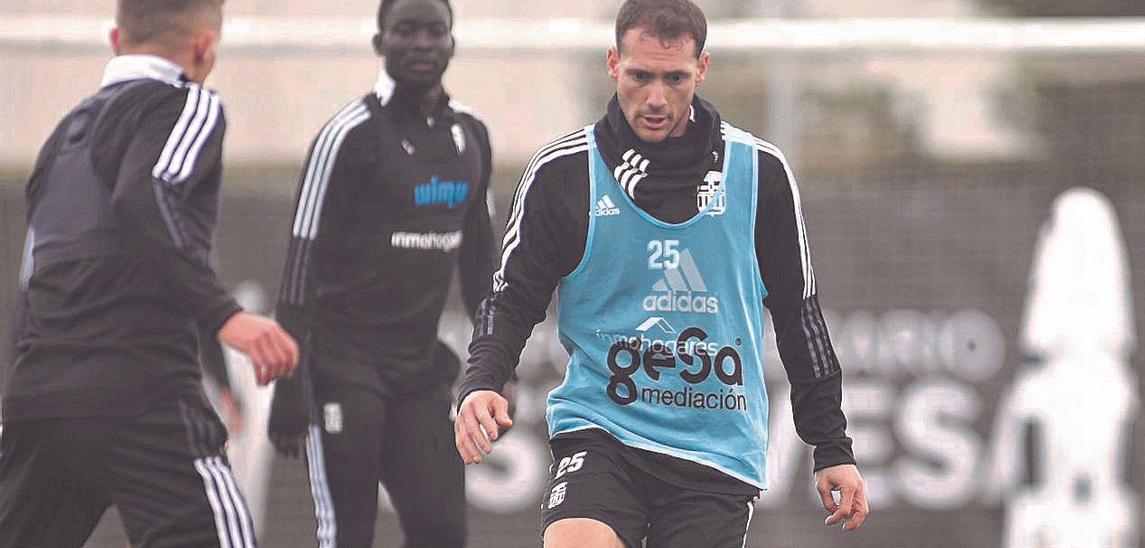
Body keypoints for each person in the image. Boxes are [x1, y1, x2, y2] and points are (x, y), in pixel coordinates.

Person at [455, 0, 869, 546]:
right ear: (612, 64)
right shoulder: (563, 173)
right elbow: (509, 300)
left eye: (674, 78)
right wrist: (483, 380)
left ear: (701, 69)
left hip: (715, 445)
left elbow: (799, 316)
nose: (655, 98)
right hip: (602, 430)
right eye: (640, 76)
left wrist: (831, 445)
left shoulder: (759, 173)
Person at [0, 0, 299, 546]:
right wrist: (227, 318)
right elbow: (145, 197)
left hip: (40, 395)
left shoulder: (63, 136)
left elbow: (34, 278)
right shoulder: (185, 105)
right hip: (140, 393)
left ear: (115, 39)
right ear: (204, 46)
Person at [265, 0, 496, 546]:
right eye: (406, 31)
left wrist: (491, 363)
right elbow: (301, 261)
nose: (422, 44)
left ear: (452, 43)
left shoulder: (472, 135)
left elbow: (483, 264)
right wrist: (289, 382)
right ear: (380, 42)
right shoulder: (349, 134)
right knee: (348, 533)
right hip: (342, 368)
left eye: (435, 32)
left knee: (442, 531)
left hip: (419, 373)